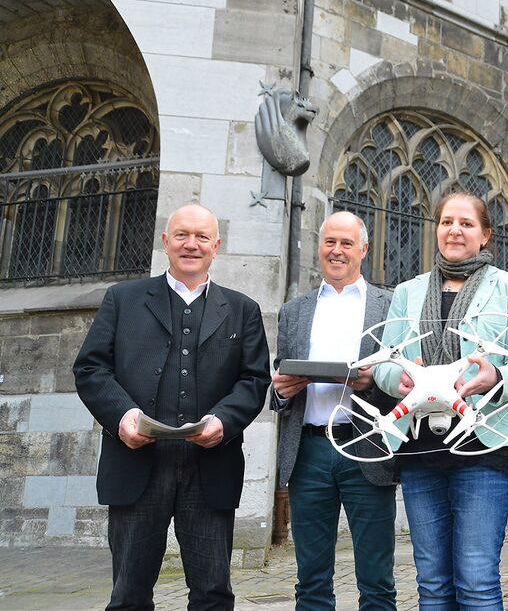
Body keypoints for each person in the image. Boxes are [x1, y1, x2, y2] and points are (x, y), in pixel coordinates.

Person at [73, 203, 271, 610]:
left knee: (213, 594)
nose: (191, 244)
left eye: (202, 237)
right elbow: (91, 368)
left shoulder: (242, 309)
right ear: (166, 241)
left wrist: (223, 421)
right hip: (136, 465)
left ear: (216, 246)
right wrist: (122, 416)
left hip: (209, 469)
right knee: (128, 594)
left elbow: (254, 380)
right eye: (182, 235)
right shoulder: (122, 300)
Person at [374, 190, 508, 610]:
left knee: (477, 580)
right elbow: (383, 363)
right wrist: (401, 382)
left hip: (483, 443)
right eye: (447, 221)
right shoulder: (408, 291)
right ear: (436, 230)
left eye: (467, 223)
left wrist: (496, 376)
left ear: (485, 235)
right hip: (419, 446)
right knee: (431, 582)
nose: (455, 230)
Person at [270, 211, 397, 610]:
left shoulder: (390, 306)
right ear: (319, 247)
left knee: (377, 581)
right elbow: (277, 390)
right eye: (330, 242)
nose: (337, 251)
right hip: (309, 452)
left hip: (367, 447)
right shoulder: (294, 310)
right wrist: (282, 391)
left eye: (346, 243)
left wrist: (373, 382)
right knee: (310, 581)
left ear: (363, 249)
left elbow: (406, 385)